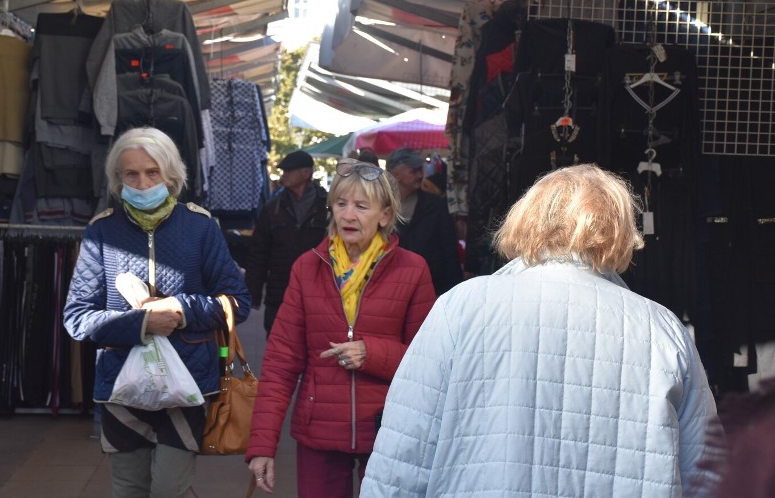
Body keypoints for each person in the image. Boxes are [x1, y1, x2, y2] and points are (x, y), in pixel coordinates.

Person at [361, 164, 719, 497]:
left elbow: (405, 446)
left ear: (526, 218)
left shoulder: (464, 305)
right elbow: (705, 470)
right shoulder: (661, 328)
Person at [63, 127, 251, 498]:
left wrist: (182, 309)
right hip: (122, 385)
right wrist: (142, 323)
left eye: (152, 172)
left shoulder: (200, 227)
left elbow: (237, 302)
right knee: (129, 489)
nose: (143, 182)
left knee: (169, 490)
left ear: (171, 175)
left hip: (188, 385)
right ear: (118, 179)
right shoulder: (101, 231)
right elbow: (77, 317)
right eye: (131, 173)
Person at [246, 157, 437, 497]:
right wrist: (263, 444)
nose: (348, 215)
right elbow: (280, 364)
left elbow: (430, 361)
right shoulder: (307, 267)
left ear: (385, 216)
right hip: (319, 431)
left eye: (362, 206)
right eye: (341, 203)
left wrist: (372, 352)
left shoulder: (413, 269)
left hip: (388, 429)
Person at [246, 149, 328, 334]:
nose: (285, 175)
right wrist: (254, 293)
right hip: (279, 294)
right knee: (277, 346)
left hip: (316, 294)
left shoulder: (327, 206)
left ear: (306, 173)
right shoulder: (272, 207)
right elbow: (259, 252)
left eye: (289, 170)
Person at [386, 148, 462, 295]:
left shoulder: (435, 205)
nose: (421, 175)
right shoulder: (380, 206)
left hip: (430, 287)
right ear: (396, 174)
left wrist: (454, 292)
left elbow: (449, 251)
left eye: (420, 170)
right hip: (391, 289)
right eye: (413, 171)